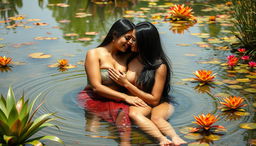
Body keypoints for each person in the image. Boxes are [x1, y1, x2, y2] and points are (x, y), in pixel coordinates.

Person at [107, 21, 187, 146]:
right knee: (133, 114)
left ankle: (175, 138)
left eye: (134, 40)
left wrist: (126, 84)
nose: (130, 42)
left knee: (157, 118)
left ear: (145, 43)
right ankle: (162, 140)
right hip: (139, 102)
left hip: (159, 102)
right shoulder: (131, 57)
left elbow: (154, 100)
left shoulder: (160, 66)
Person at [77, 18, 147, 146]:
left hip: (118, 99)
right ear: (115, 34)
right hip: (94, 97)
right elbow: (96, 87)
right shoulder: (94, 54)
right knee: (92, 134)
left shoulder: (128, 55)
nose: (130, 42)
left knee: (124, 122)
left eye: (132, 39)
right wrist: (126, 97)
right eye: (127, 38)